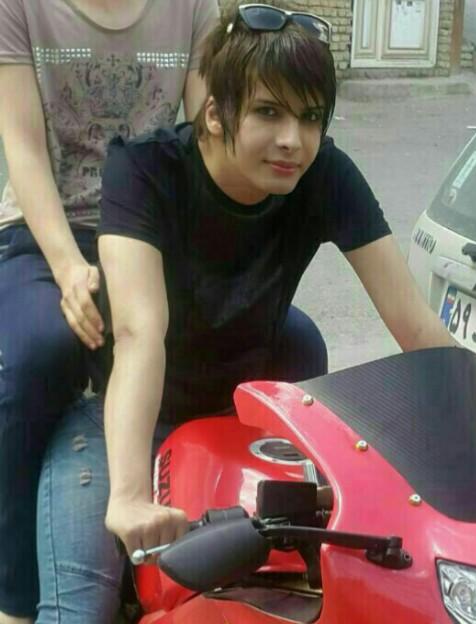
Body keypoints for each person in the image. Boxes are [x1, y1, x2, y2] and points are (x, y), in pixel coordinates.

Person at [35, 1, 454, 621]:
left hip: (234, 421)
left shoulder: (324, 175)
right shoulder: (145, 169)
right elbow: (140, 332)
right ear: (214, 113)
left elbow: (414, 324)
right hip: (119, 418)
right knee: (79, 609)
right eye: (268, 112)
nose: (293, 141)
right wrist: (128, 495)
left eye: (310, 117)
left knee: (300, 595)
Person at [0, 1, 219, 622]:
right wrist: (69, 267)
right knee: (37, 352)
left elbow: (209, 136)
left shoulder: (193, 7)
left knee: (276, 340)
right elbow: (23, 146)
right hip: (50, 227)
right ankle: (13, 592)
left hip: (150, 225)